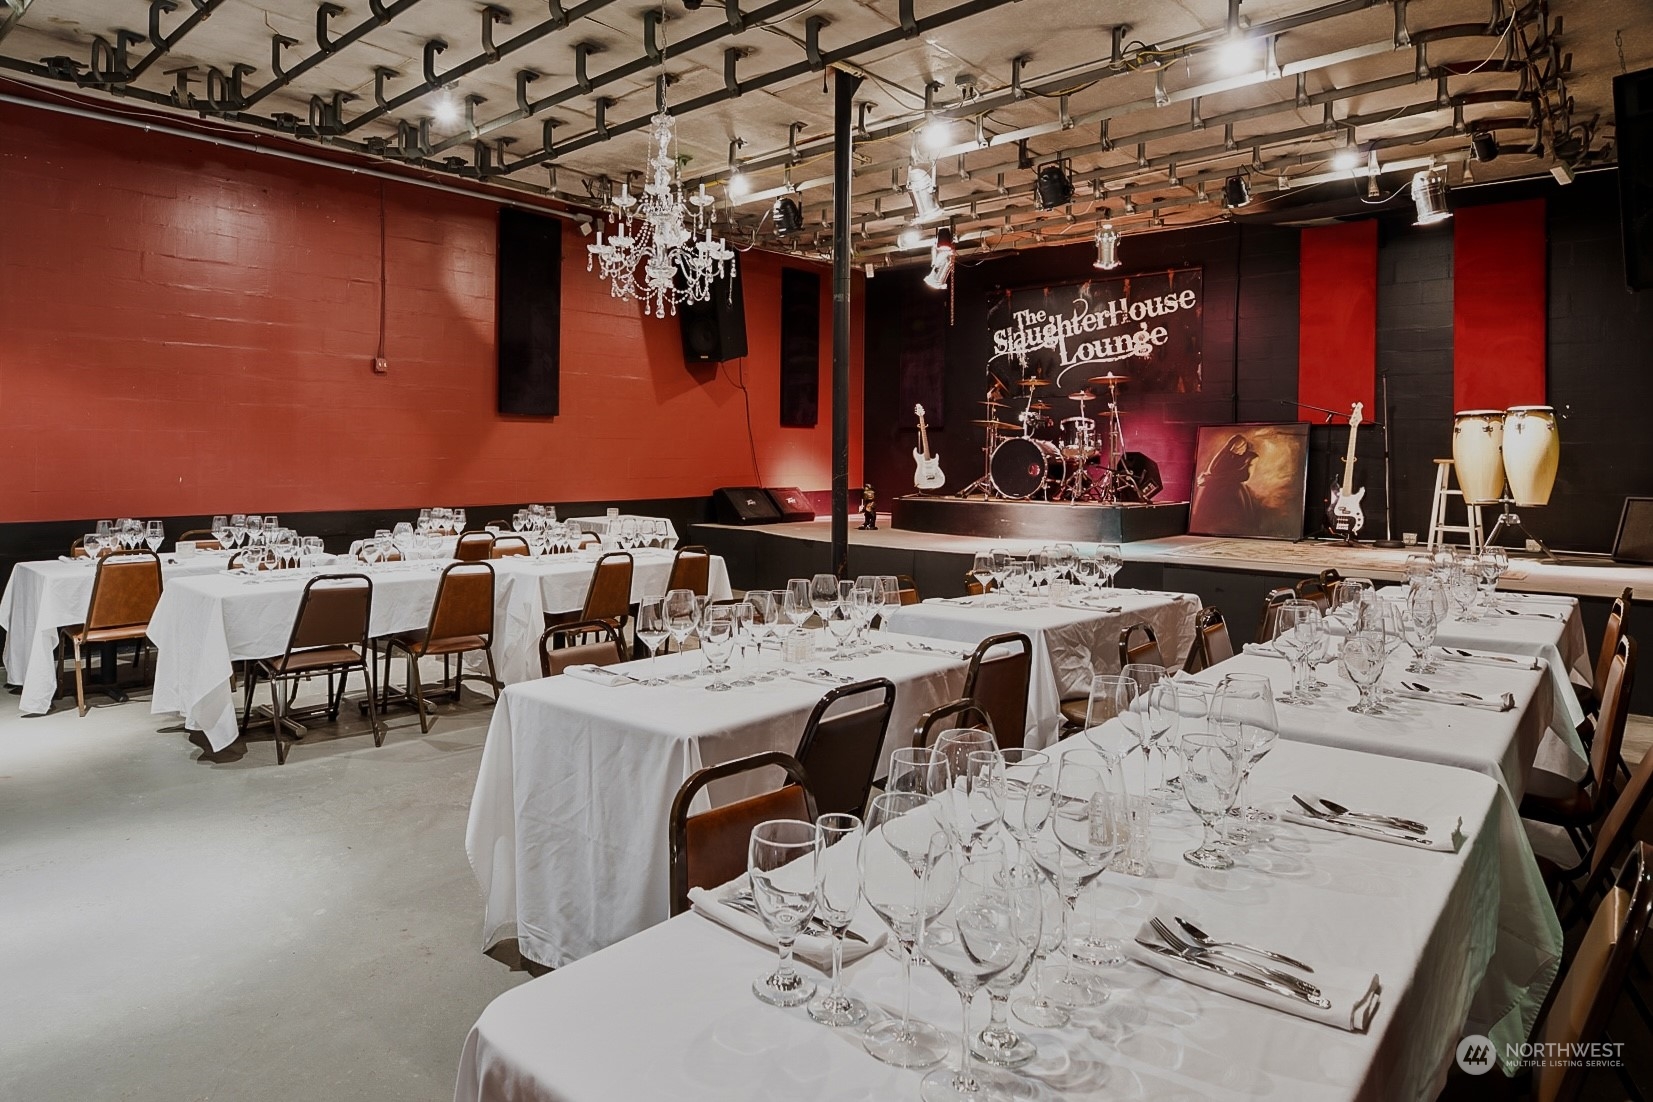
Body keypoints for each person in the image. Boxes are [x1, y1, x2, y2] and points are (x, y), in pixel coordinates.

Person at [1192, 432, 1261, 533]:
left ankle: (1238, 525)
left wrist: (1214, 479)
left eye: (1238, 448)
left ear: (1245, 446)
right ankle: (1203, 523)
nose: (1235, 450)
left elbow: (1244, 475)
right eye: (1231, 447)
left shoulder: (1251, 457)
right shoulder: (1229, 454)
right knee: (1206, 487)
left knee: (1234, 488)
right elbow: (1212, 469)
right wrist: (1225, 449)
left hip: (1236, 488)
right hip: (1222, 485)